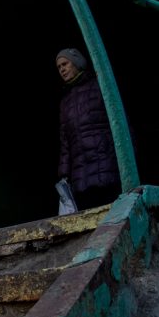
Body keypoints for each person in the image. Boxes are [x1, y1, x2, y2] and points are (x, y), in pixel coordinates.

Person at [56, 47, 121, 210]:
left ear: (77, 63)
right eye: (59, 67)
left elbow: (120, 123)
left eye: (65, 64)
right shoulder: (65, 102)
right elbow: (65, 142)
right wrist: (64, 175)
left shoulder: (100, 87)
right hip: (80, 175)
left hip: (106, 167)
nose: (62, 69)